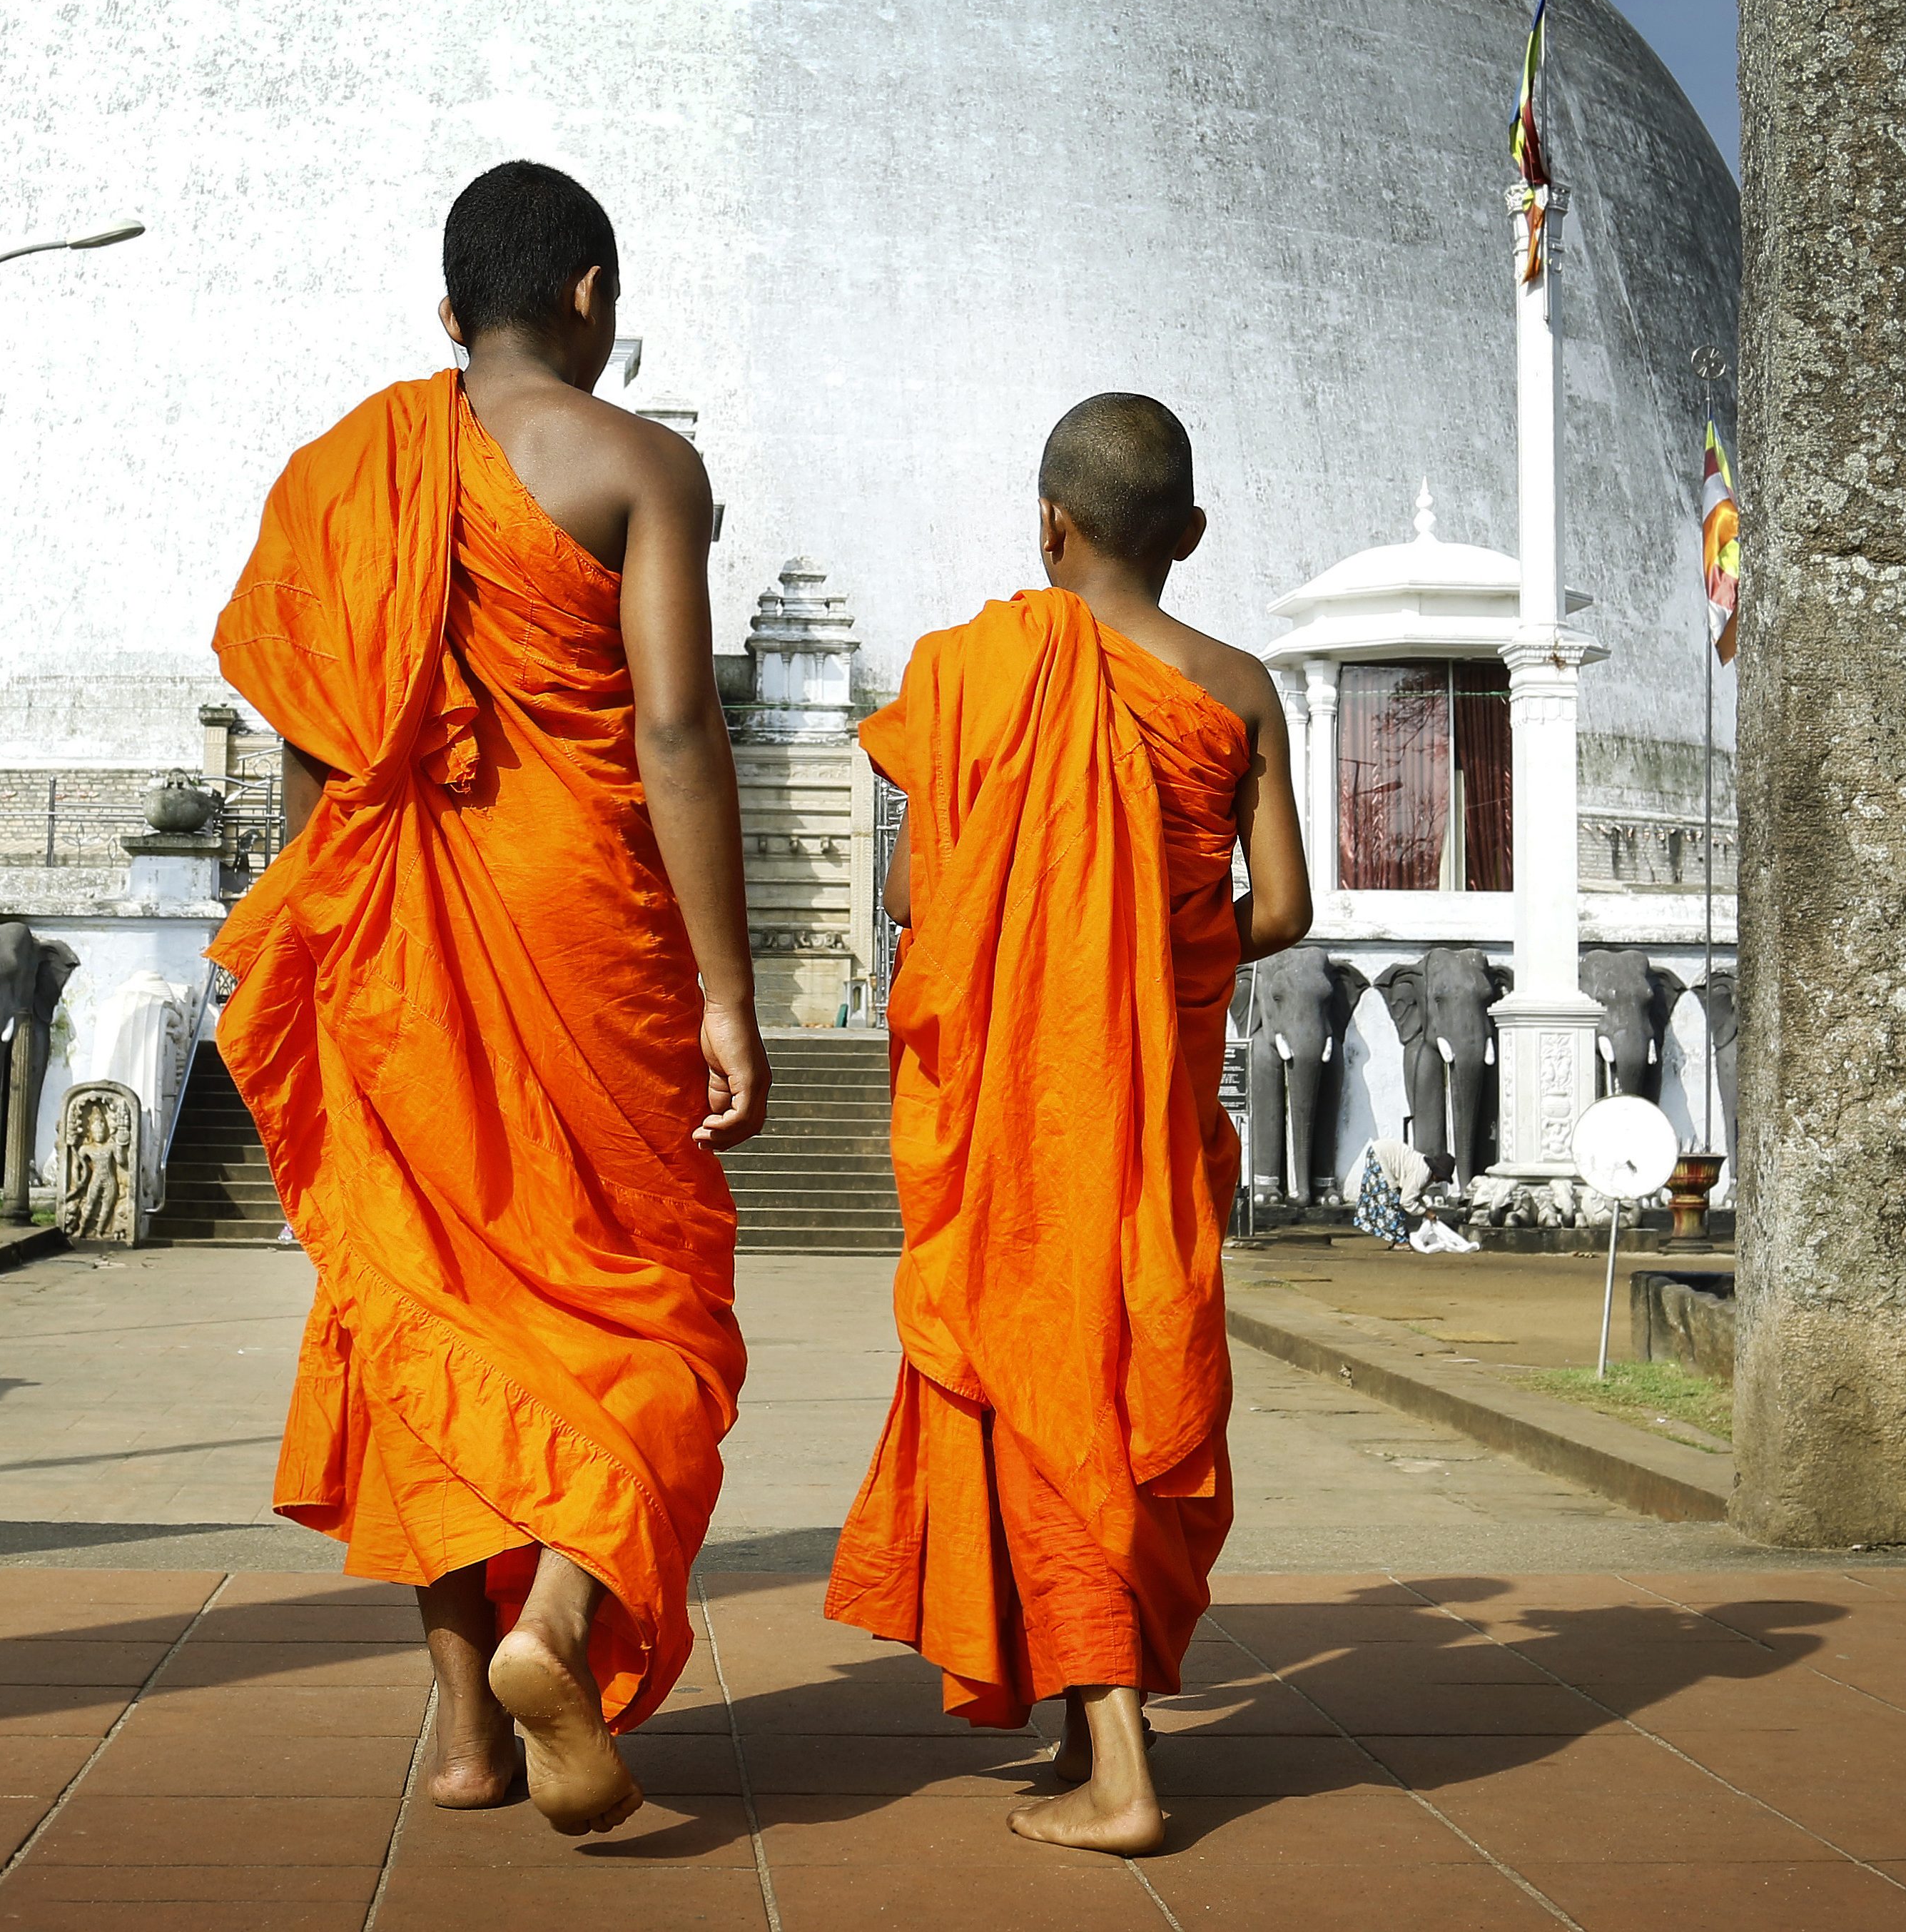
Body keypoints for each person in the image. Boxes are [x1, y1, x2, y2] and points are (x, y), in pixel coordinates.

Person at [207, 160, 768, 1837]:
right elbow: (676, 732)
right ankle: (562, 1617)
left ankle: (463, 1734)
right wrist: (729, 992)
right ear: (591, 292)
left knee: (418, 1312)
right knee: (653, 1307)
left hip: (392, 942)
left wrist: (314, 963)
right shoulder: (640, 465)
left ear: (448, 313)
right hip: (584, 928)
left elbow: (310, 748)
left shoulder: (341, 478)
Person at [823, 392, 1312, 1856]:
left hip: (1013, 1114)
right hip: (1144, 1106)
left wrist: (1045, 921)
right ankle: (1092, 1725)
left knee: (1043, 1390)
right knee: (1124, 1380)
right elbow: (1282, 907)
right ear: (1191, 535)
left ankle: (1119, 1773)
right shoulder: (1236, 687)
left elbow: (917, 901)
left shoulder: (967, 674)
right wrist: (1145, 949)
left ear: (1047, 522)